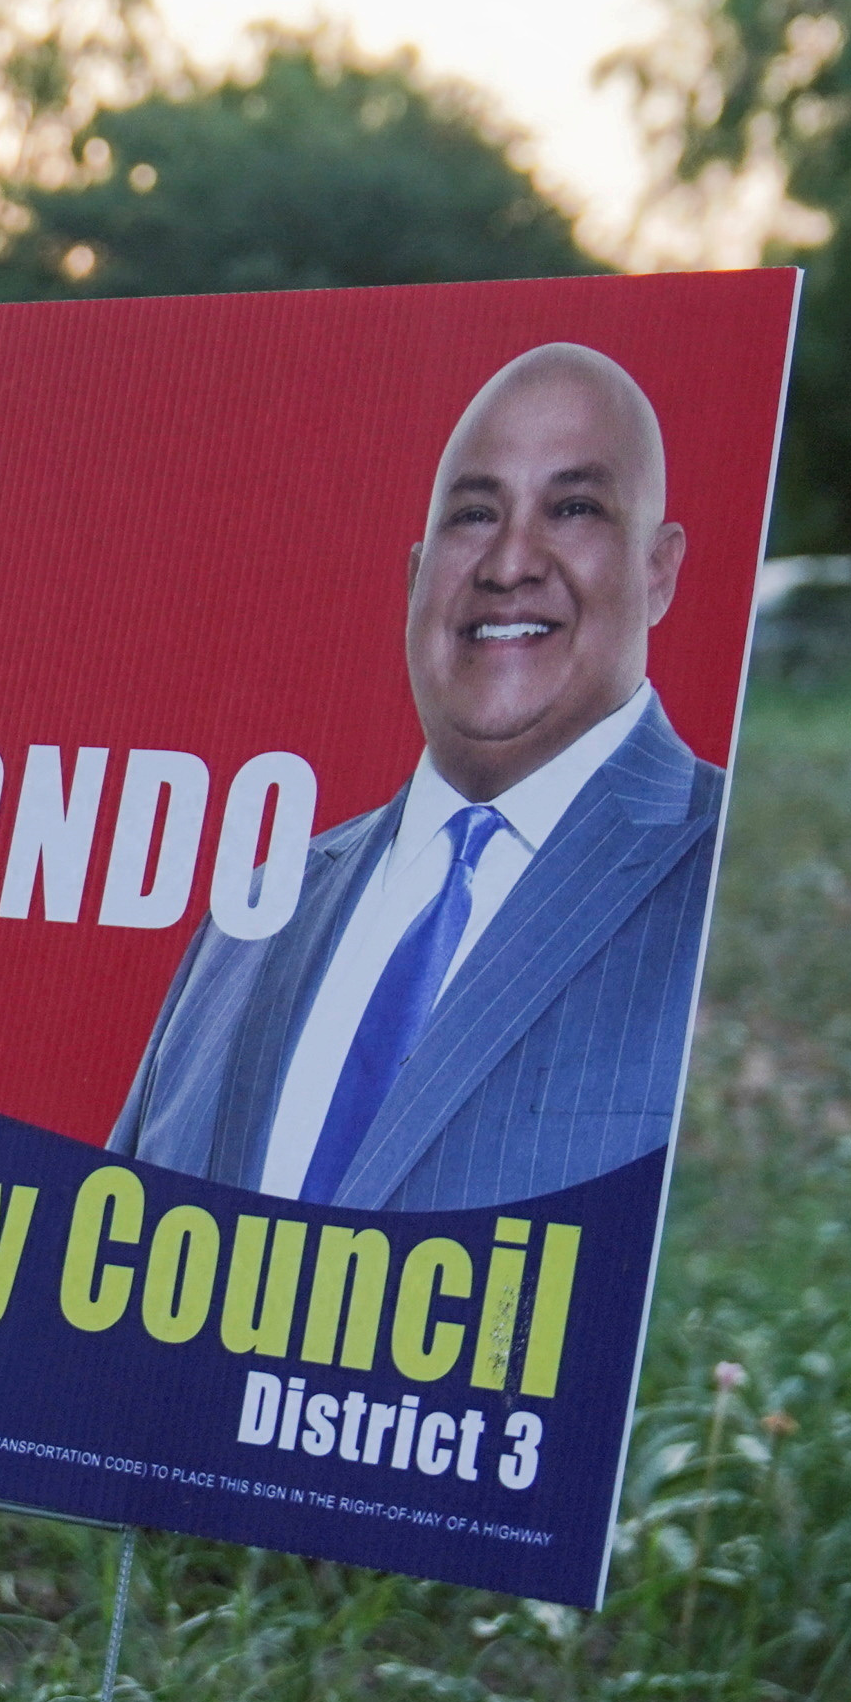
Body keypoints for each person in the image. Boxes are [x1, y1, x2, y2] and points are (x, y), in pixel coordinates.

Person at [110, 341, 725, 1211]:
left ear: (658, 571)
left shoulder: (728, 873)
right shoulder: (253, 915)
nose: (510, 562)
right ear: (414, 577)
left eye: (574, 507)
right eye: (474, 514)